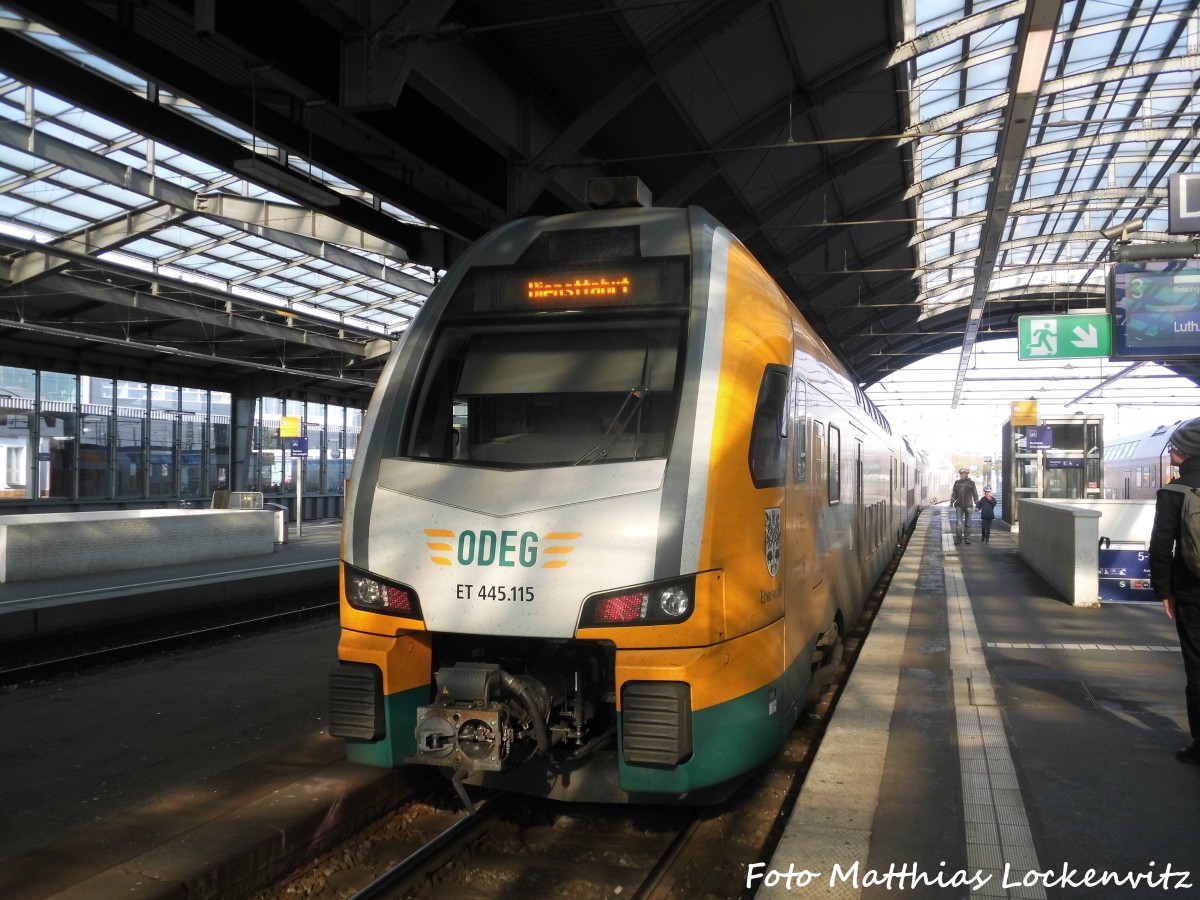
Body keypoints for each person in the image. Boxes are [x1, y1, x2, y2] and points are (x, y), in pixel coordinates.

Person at [1150, 416, 1200, 766]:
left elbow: (1161, 547)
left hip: (1191, 592)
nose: (1171, 452)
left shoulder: (1175, 492)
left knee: (1197, 667)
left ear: (1185, 453)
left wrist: (1164, 591)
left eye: (1174, 447)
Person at [949, 467, 979, 544]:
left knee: (968, 523)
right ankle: (958, 539)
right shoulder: (957, 482)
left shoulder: (971, 483)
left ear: (967, 475)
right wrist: (951, 502)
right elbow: (954, 493)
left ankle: (967, 539)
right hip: (959, 506)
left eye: (963, 474)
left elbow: (975, 494)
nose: (961, 475)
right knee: (959, 523)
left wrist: (977, 504)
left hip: (968, 506)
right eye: (961, 473)